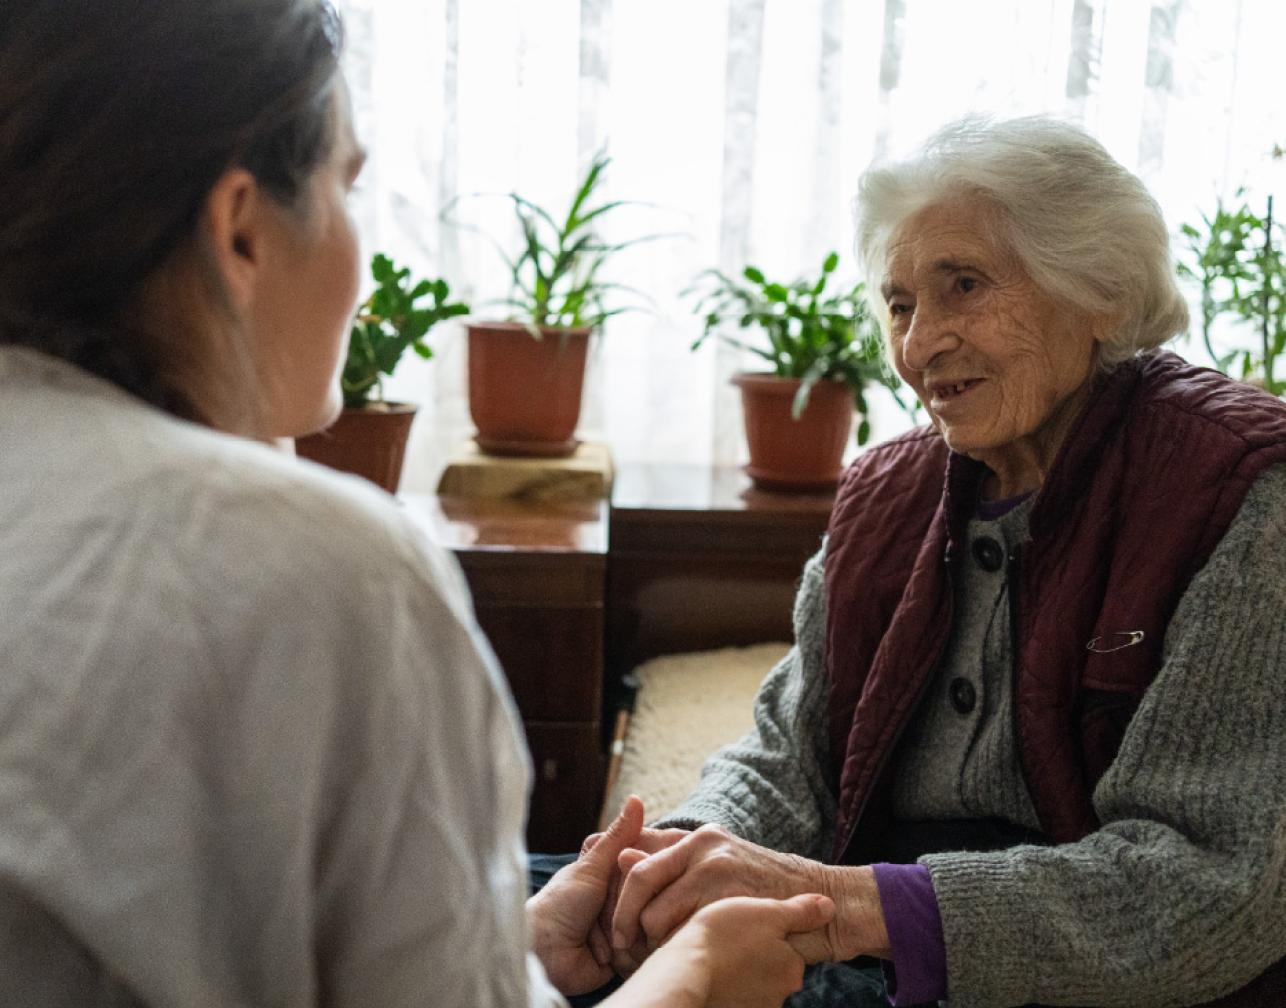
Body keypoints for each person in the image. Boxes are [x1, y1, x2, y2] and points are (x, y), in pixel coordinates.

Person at [0, 2, 835, 1005]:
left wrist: (505, 953)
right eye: (347, 187)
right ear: (240, 229)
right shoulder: (320, 566)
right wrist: (695, 982)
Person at [580, 117, 1286, 1007]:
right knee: (498, 922)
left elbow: (1213, 883)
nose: (917, 348)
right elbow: (788, 753)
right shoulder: (891, 492)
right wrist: (680, 861)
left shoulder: (1240, 496)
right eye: (903, 304)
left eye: (964, 286)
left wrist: (849, 907)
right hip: (865, 932)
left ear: (1101, 289)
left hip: (1067, 979)